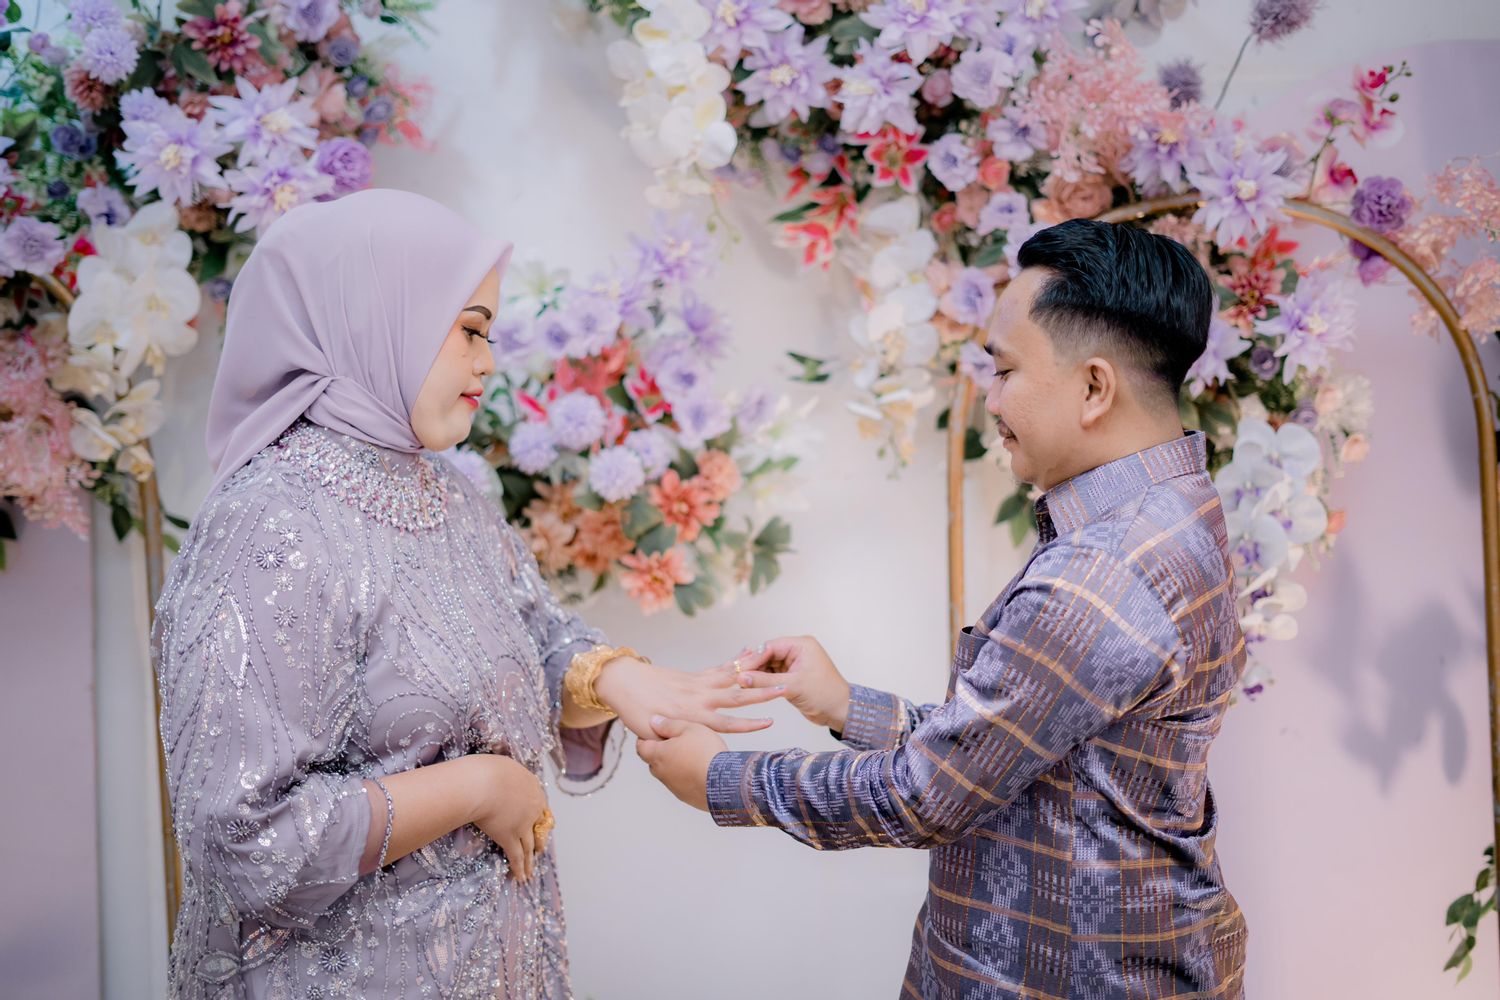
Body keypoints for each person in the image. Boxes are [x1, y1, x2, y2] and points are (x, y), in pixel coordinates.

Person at [153, 189, 780, 1000]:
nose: (487, 363)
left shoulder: (446, 493)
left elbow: (532, 635)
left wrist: (619, 679)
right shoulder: (270, 524)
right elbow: (245, 839)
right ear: (379, 318)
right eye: (471, 330)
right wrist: (480, 787)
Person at [639, 219, 1250, 999]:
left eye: (1005, 370)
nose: (990, 399)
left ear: (1095, 387)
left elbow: (926, 795)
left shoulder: (1100, 573)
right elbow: (1024, 757)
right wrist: (847, 706)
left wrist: (722, 779)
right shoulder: (1174, 509)